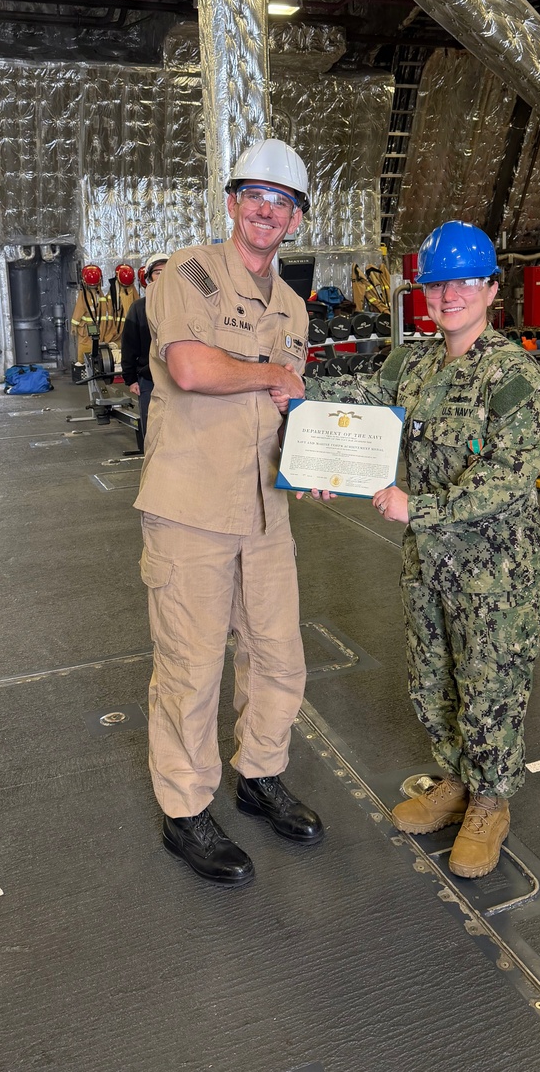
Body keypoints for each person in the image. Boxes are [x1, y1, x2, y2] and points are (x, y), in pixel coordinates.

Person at [297, 221, 540, 878]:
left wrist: (422, 506)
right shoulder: (409, 364)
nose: (449, 295)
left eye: (465, 281)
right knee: (432, 673)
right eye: (438, 283)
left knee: (489, 683)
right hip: (430, 561)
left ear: (492, 289)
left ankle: (490, 800)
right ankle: (455, 779)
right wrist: (305, 420)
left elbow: (506, 478)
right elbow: (360, 407)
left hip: (497, 568)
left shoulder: (515, 377)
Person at [135, 139, 322, 886]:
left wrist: (311, 459)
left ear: (295, 218)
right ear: (232, 203)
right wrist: (274, 371)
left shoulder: (293, 307)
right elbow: (189, 366)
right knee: (190, 665)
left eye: (281, 202)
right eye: (254, 196)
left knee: (278, 651)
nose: (265, 211)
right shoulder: (188, 274)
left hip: (265, 506)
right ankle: (186, 811)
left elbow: (291, 407)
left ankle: (260, 773)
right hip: (190, 507)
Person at [120, 253, 169, 451]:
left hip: (177, 378)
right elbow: (129, 344)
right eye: (158, 272)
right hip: (148, 379)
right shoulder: (139, 308)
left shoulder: (182, 306)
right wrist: (131, 379)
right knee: (151, 428)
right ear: (148, 278)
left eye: (167, 272)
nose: (163, 276)